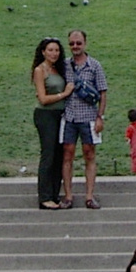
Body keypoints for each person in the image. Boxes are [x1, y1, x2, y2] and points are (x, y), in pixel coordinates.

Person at [59, 30, 107, 211]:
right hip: (69, 116)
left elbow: (103, 93)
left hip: (88, 118)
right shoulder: (64, 65)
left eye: (78, 43)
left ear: (85, 43)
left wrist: (100, 117)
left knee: (89, 154)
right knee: (67, 155)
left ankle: (89, 196)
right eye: (71, 44)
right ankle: (69, 196)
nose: (75, 47)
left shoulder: (94, 65)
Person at [30, 39, 70, 209]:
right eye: (50, 50)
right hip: (46, 115)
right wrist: (64, 93)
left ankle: (54, 194)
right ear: (43, 52)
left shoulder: (59, 69)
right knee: (48, 154)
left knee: (59, 156)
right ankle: (44, 196)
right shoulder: (40, 70)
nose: (54, 53)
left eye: (57, 50)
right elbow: (43, 98)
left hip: (61, 115)